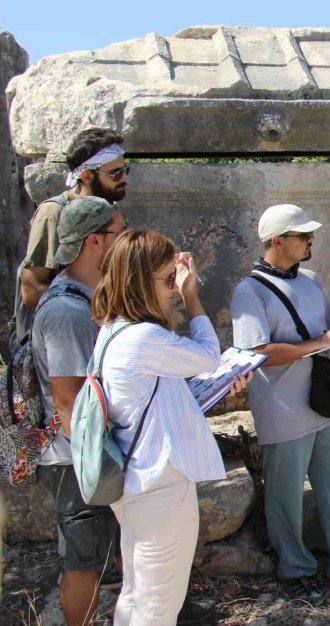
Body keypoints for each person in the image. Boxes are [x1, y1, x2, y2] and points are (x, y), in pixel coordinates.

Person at [91, 230, 247, 625]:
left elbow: (161, 395)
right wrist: (193, 295)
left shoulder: (113, 330)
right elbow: (210, 356)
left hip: (137, 480)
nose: (173, 290)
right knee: (158, 606)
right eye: (166, 281)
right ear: (141, 282)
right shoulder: (145, 337)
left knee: (137, 597)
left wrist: (219, 387)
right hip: (160, 486)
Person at [230, 204, 330, 605]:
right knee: (285, 495)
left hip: (323, 403)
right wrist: (320, 344)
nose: (311, 240)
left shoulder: (311, 280)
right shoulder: (249, 291)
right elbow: (255, 352)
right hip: (282, 408)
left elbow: (326, 333)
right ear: (277, 240)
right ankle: (295, 569)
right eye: (303, 235)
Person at [31, 197, 125, 626]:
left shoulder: (89, 298)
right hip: (76, 459)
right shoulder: (68, 312)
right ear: (94, 242)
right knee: (84, 561)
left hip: (90, 452)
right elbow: (68, 401)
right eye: (118, 233)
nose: (124, 241)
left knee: (109, 553)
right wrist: (102, 466)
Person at [13, 128, 129, 349]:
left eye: (125, 171)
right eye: (115, 173)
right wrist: (90, 316)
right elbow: (32, 288)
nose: (124, 178)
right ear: (86, 175)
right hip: (59, 342)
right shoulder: (54, 212)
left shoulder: (110, 212)